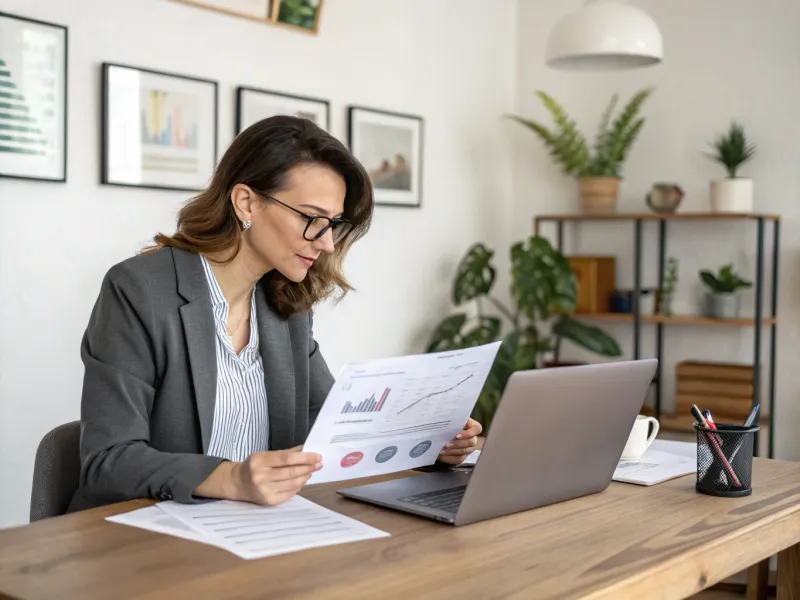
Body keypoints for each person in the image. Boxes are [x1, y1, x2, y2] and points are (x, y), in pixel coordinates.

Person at [68, 115, 482, 513]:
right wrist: (232, 478)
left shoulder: (287, 305)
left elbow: (334, 431)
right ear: (246, 203)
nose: (327, 244)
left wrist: (431, 444)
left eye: (332, 224)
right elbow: (108, 461)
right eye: (312, 219)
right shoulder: (140, 290)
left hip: (254, 534)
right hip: (142, 542)